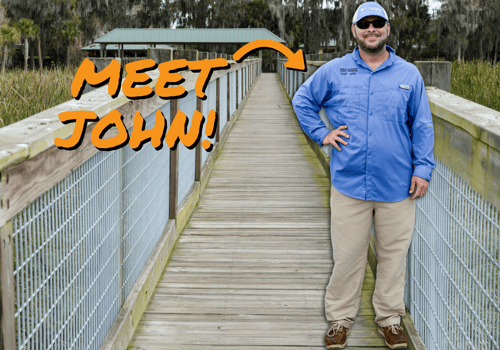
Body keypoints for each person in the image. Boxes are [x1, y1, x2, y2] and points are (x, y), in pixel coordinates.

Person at [291, 2, 435, 349]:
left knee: (393, 258)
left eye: (378, 23)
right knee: (348, 258)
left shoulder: (408, 75)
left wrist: (422, 168)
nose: (371, 29)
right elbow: (302, 100)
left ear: (387, 29)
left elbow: (423, 125)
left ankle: (389, 319)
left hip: (398, 186)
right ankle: (339, 320)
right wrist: (321, 133)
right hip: (349, 184)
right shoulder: (334, 71)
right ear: (354, 31)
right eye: (364, 24)